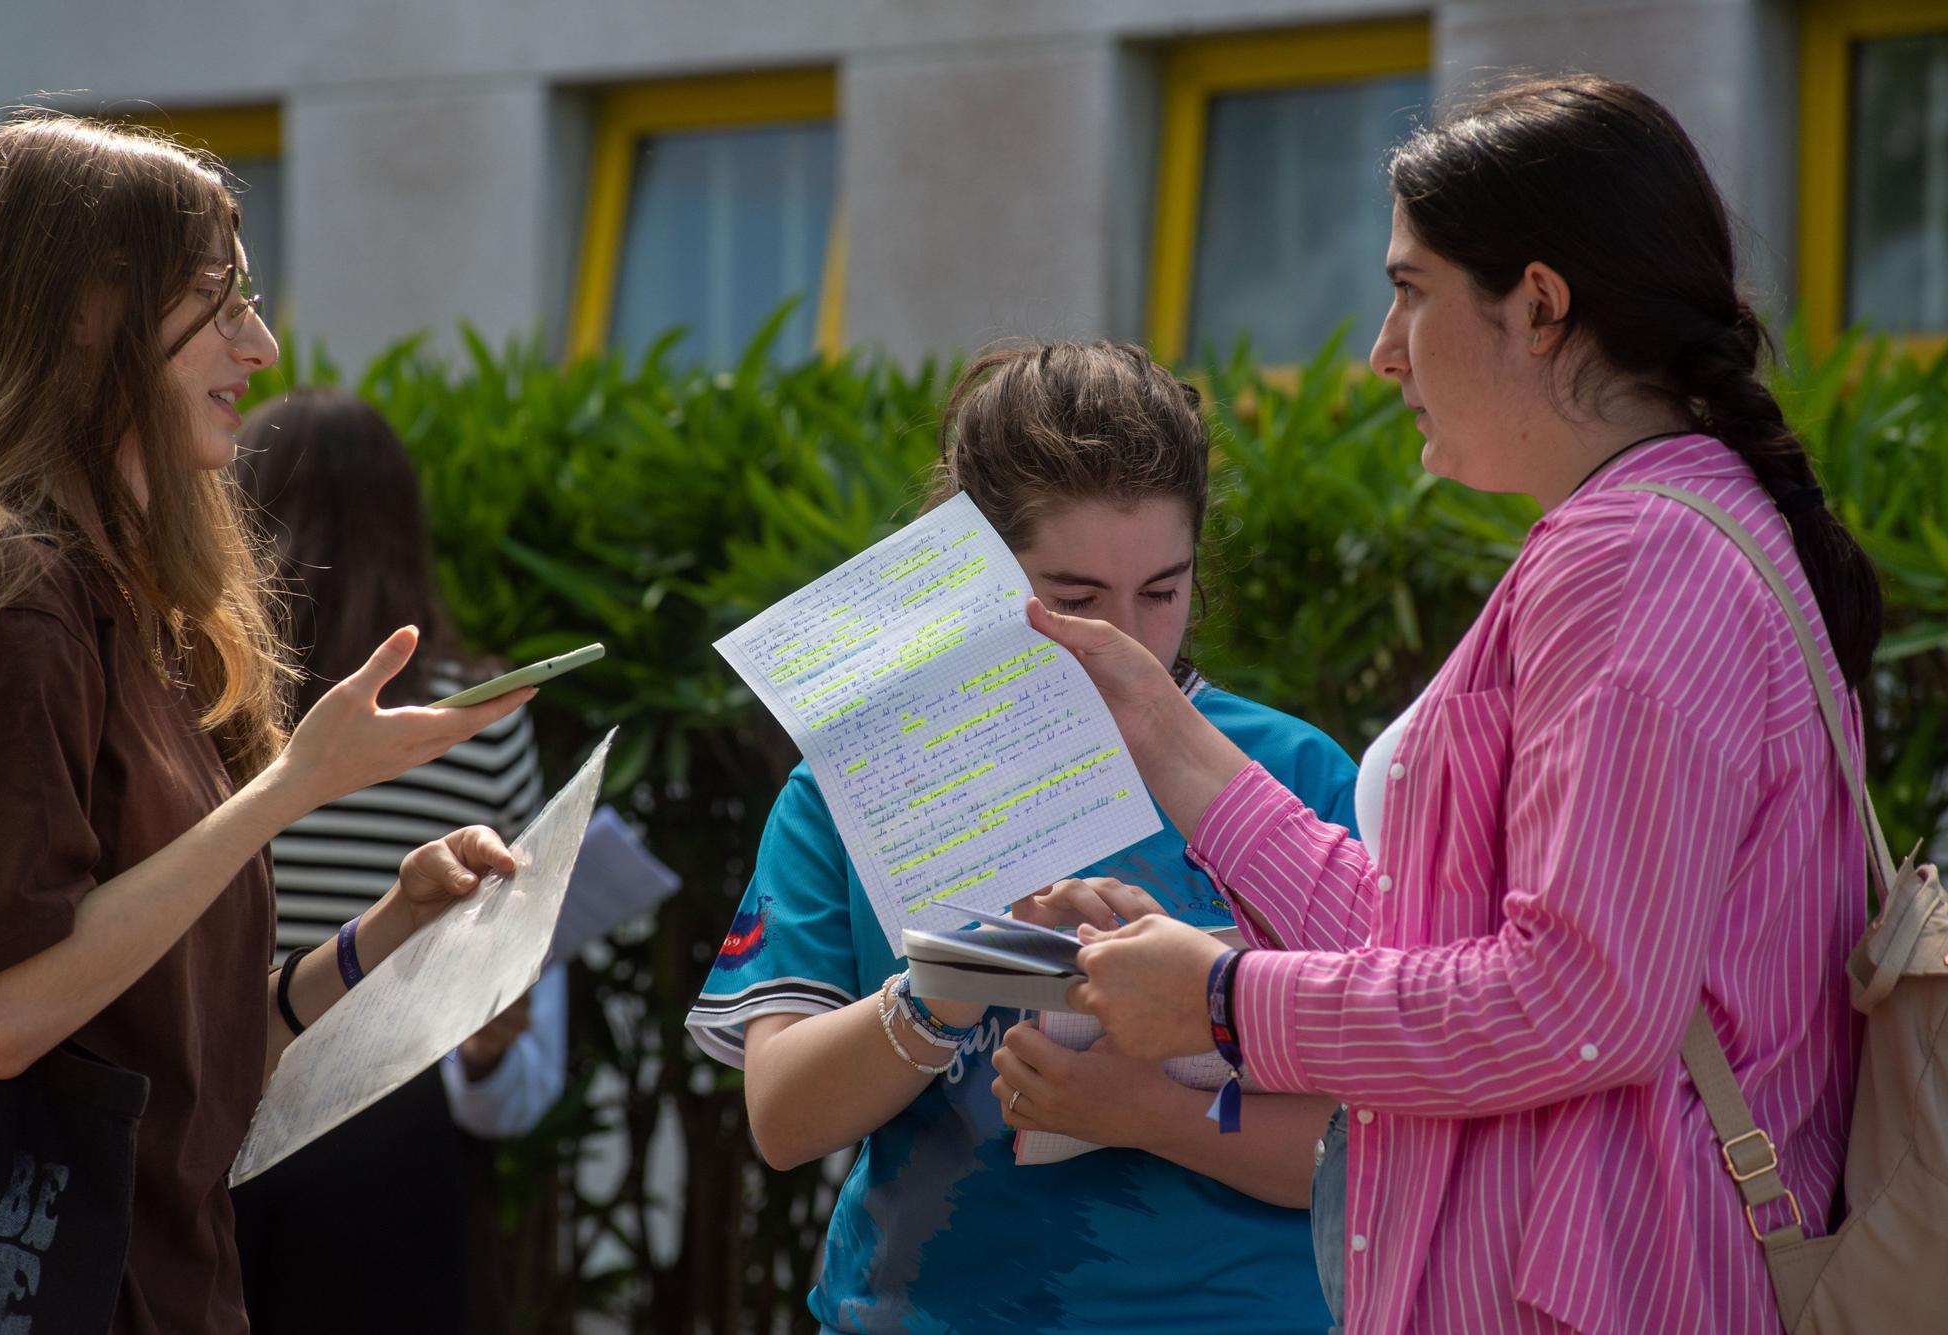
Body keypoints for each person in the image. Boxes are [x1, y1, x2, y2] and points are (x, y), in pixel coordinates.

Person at [1043, 77, 1879, 1334]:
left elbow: (1578, 1003)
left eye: (1409, 289)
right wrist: (1151, 722)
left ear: (1535, 307)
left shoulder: (1634, 556)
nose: (1380, 351)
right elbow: (1440, 936)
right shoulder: (1640, 533)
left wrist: (1220, 1002)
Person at [0, 114, 534, 1333]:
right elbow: (1, 1018)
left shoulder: (133, 607)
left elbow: (205, 1049)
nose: (259, 346)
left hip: (169, 1277)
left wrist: (389, 933)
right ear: (86, 315)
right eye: (217, 305)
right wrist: (288, 790)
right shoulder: (16, 607)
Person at [686, 340, 1359, 1334]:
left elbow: (1370, 1150)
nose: (1124, 641)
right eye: (1075, 600)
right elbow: (782, 1119)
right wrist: (951, 983)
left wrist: (1147, 1109)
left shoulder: (1289, 776)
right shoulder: (855, 782)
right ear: (968, 572)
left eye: (1161, 592)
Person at [229, 389, 565, 1334]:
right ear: (404, 528)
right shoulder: (476, 720)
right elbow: (511, 990)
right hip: (391, 1120)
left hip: (218, 1097)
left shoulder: (205, 707)